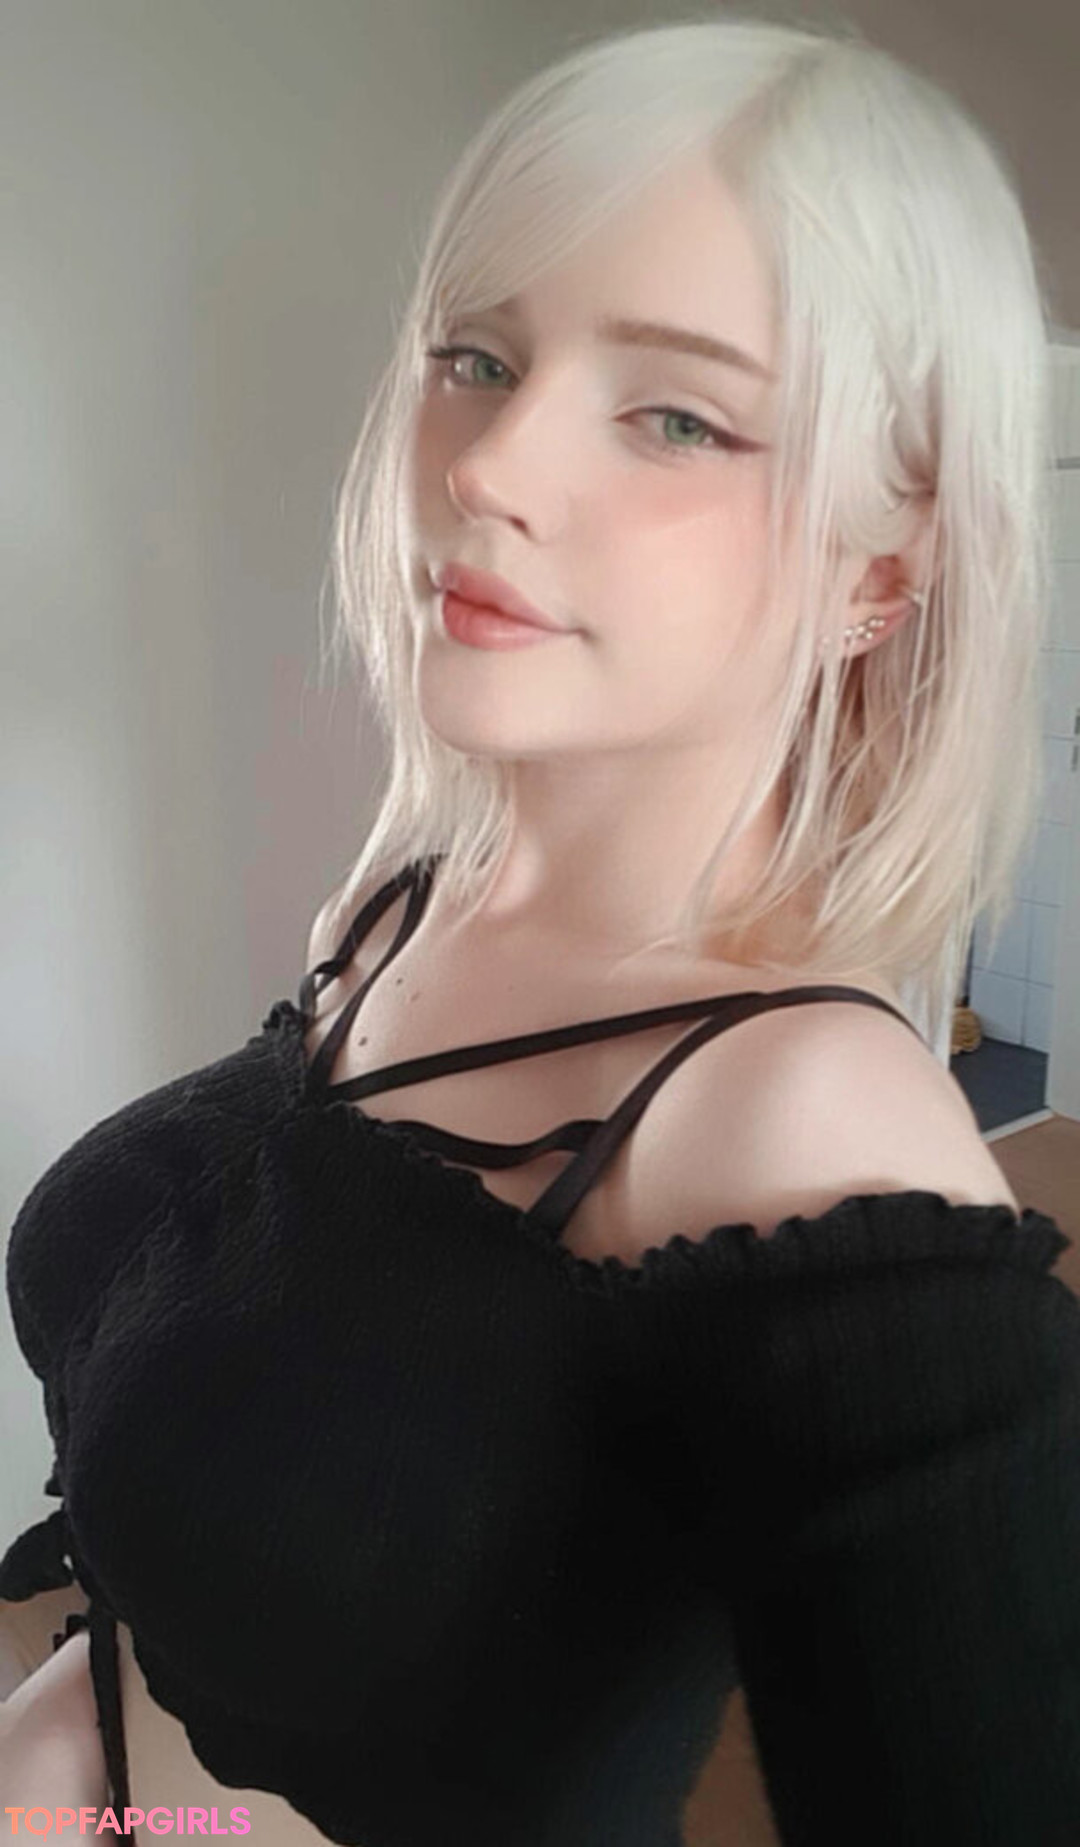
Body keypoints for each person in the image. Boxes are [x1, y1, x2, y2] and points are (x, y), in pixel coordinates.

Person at [2, 14, 1077, 1847]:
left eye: (678, 416)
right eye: (478, 358)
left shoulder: (795, 1121)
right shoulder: (399, 900)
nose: (490, 463)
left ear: (881, 570)